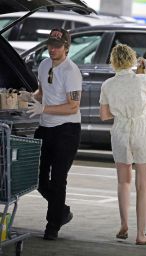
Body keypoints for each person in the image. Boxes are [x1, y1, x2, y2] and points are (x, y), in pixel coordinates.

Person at [99, 44, 146, 245]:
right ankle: (141, 235)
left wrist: (119, 113)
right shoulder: (142, 80)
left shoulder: (107, 85)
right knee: (143, 186)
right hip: (141, 129)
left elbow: (104, 115)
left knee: (123, 182)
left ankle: (123, 225)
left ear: (113, 62)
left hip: (120, 131)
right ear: (132, 60)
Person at [20, 27, 82, 240]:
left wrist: (43, 109)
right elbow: (43, 92)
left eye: (57, 46)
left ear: (66, 47)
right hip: (45, 127)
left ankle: (52, 226)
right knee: (37, 178)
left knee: (58, 179)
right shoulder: (45, 64)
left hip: (67, 130)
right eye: (50, 45)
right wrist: (30, 97)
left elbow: (73, 106)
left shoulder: (71, 72)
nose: (52, 49)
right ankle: (61, 210)